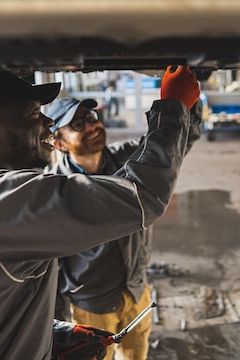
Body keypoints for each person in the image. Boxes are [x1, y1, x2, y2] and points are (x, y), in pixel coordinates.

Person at [0, 66, 201, 360]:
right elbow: (143, 197)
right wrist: (171, 106)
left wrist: (41, 332)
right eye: (33, 113)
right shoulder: (1, 199)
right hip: (94, 300)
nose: (47, 122)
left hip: (131, 288)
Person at [46, 92, 201, 360]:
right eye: (77, 125)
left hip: (136, 289)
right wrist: (58, 324)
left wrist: (184, 102)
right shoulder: (53, 191)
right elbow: (51, 264)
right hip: (92, 304)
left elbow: (174, 144)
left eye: (91, 117)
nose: (92, 126)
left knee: (135, 355)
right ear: (59, 143)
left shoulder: (129, 160)